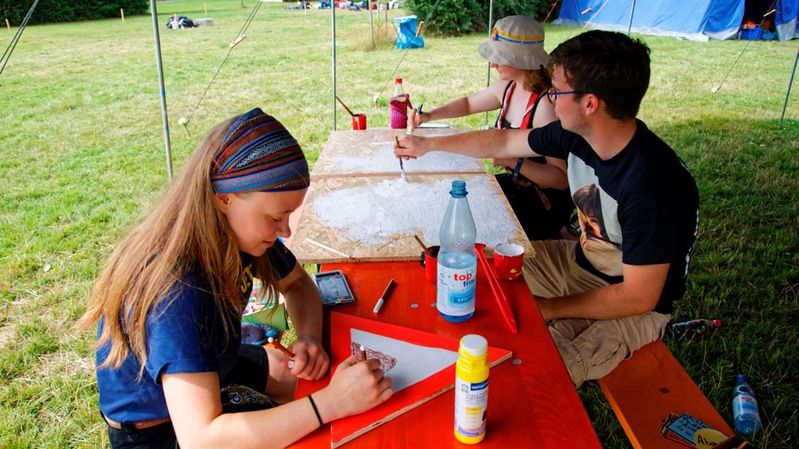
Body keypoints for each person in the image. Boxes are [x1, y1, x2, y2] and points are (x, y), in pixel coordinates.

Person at [396, 31, 699, 388]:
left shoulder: (652, 185)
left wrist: (550, 307)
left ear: (590, 103)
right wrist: (428, 144)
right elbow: (504, 140)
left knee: (534, 371)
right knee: (476, 278)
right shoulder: (577, 133)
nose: (550, 100)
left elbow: (639, 295)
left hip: (634, 306)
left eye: (556, 91)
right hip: (579, 263)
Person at [79, 108, 392, 448]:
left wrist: (310, 339)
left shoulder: (238, 232)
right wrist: (330, 404)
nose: (285, 230)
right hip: (162, 430)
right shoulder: (179, 292)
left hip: (215, 361)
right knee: (323, 417)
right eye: (276, 217)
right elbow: (201, 439)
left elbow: (299, 284)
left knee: (304, 374)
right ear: (224, 198)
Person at [411, 16, 573, 240]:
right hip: (519, 186)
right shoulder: (507, 86)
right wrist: (430, 115)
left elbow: (560, 179)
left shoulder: (544, 105)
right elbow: (468, 104)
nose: (492, 63)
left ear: (522, 59)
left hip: (544, 203)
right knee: (457, 200)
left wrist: (514, 162)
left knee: (472, 220)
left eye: (500, 58)